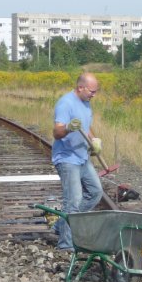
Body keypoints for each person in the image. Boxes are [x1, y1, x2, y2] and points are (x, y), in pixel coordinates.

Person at [51, 73, 104, 251]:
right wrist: (67, 128)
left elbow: (85, 126)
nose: (94, 95)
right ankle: (66, 245)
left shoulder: (85, 103)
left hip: (82, 157)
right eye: (92, 91)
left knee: (95, 192)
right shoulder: (66, 103)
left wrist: (94, 140)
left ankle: (61, 225)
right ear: (80, 87)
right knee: (73, 201)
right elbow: (57, 132)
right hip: (67, 158)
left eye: (96, 91)